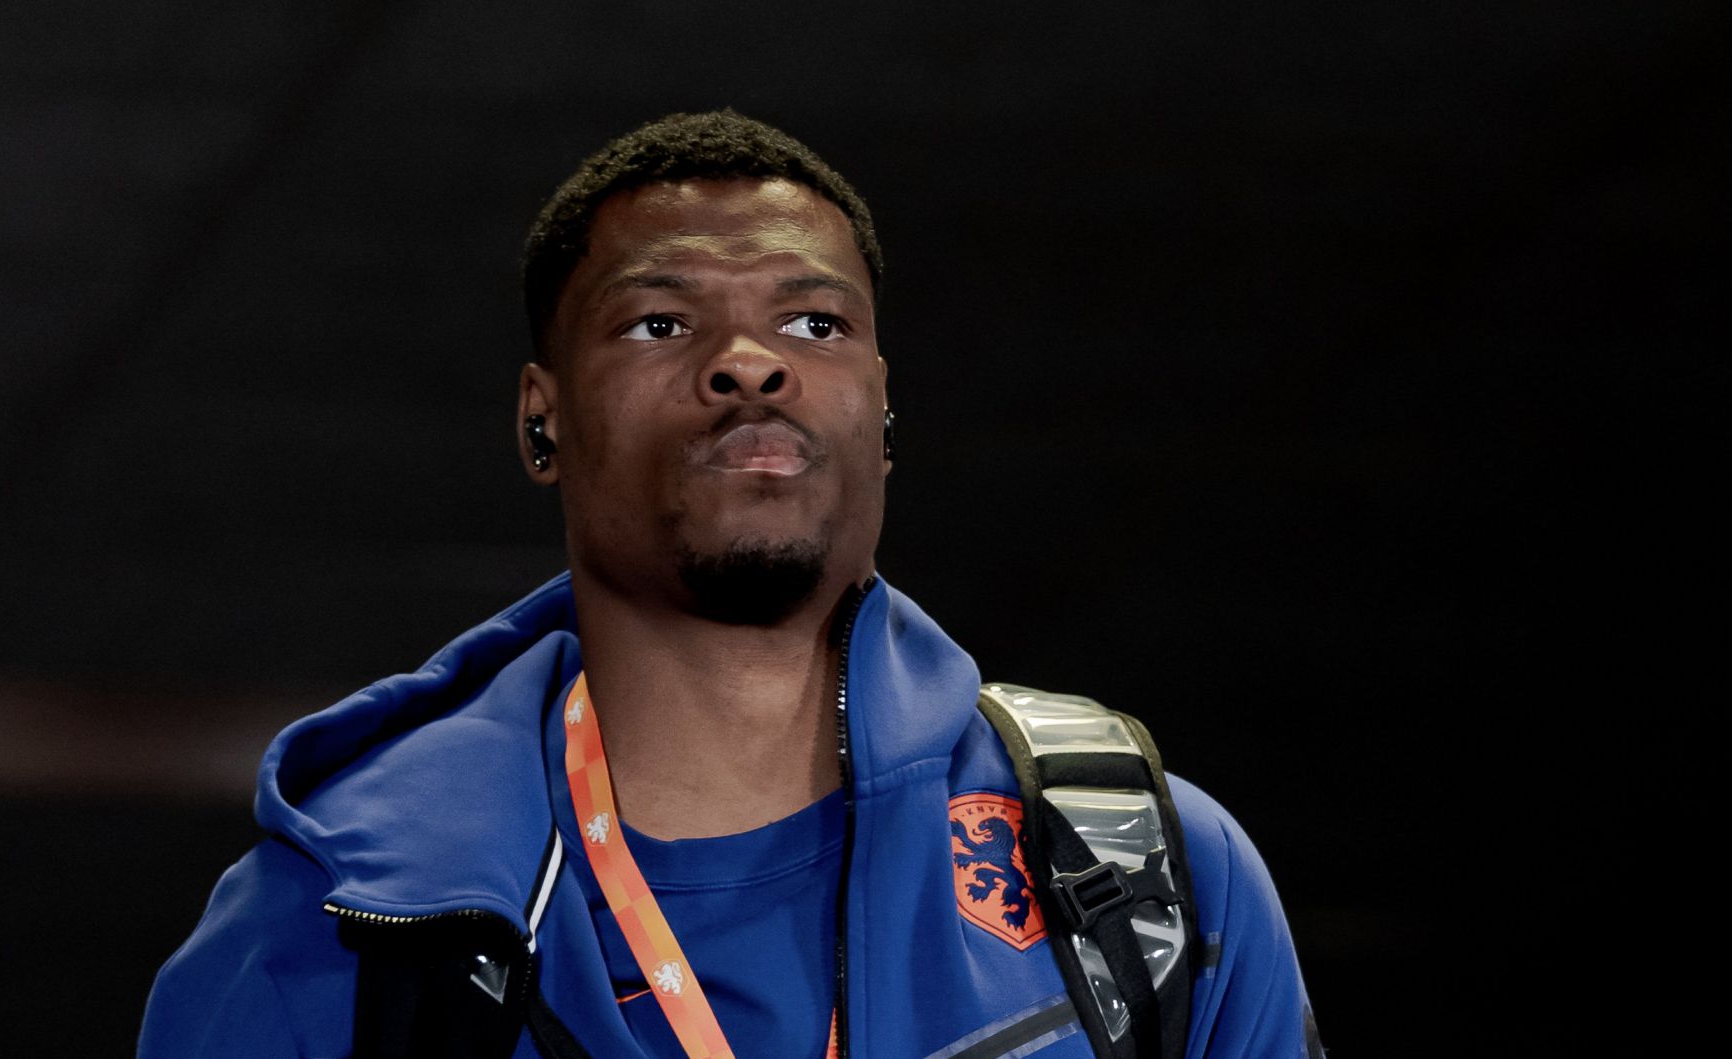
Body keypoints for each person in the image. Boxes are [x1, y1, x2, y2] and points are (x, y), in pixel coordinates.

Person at [138, 111, 1320, 1059]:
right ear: (543, 420)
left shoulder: (1143, 871)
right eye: (660, 323)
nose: (748, 362)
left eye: (813, 322)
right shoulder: (326, 939)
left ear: (882, 412)